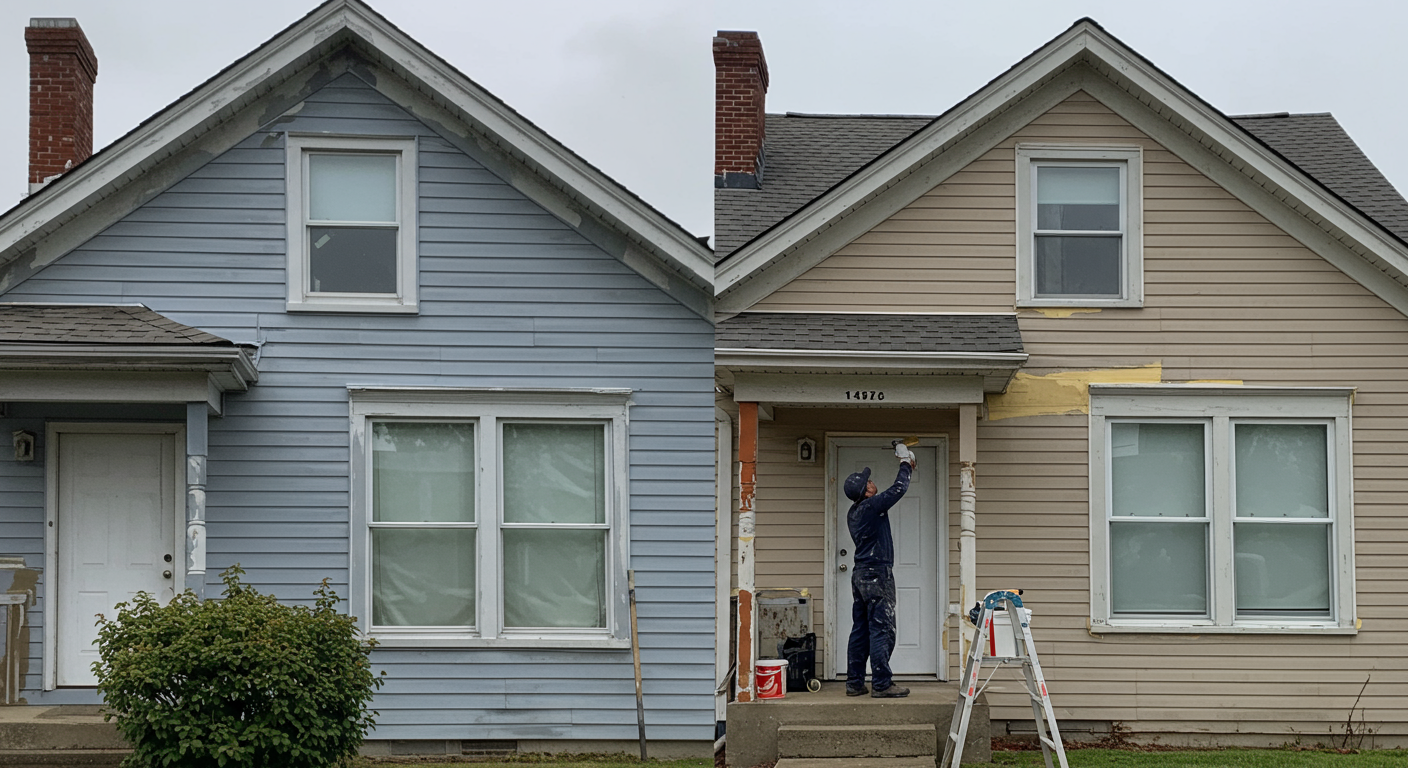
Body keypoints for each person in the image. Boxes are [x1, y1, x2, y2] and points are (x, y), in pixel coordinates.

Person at [842, 451, 914, 698]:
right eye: (869, 481)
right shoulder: (871, 506)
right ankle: (882, 684)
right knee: (882, 628)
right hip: (877, 575)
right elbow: (898, 489)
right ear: (866, 492)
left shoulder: (854, 512)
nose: (872, 482)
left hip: (860, 575)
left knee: (860, 630)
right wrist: (905, 463)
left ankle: (854, 683)